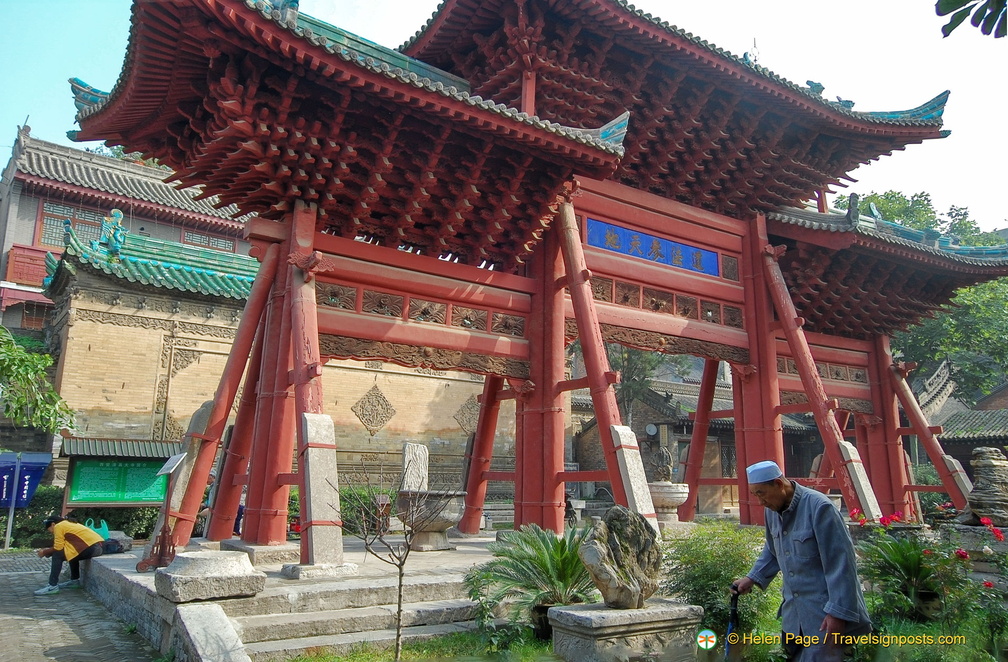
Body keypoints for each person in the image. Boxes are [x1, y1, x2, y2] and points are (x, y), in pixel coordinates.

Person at [732, 460, 870, 661]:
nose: (760, 502)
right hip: (794, 616)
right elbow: (772, 551)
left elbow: (842, 564)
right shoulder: (772, 511)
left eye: (761, 493)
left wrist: (838, 614)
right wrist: (752, 578)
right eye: (755, 495)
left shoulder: (820, 508)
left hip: (824, 615)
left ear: (779, 484)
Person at [34, 515, 104, 595]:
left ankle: (52, 586)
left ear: (53, 524)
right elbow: (62, 546)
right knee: (70, 551)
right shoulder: (68, 523)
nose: (52, 533)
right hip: (98, 547)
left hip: (92, 548)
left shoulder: (59, 526)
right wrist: (47, 552)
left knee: (57, 555)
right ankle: (74, 581)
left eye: (50, 530)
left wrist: (44, 552)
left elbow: (58, 548)